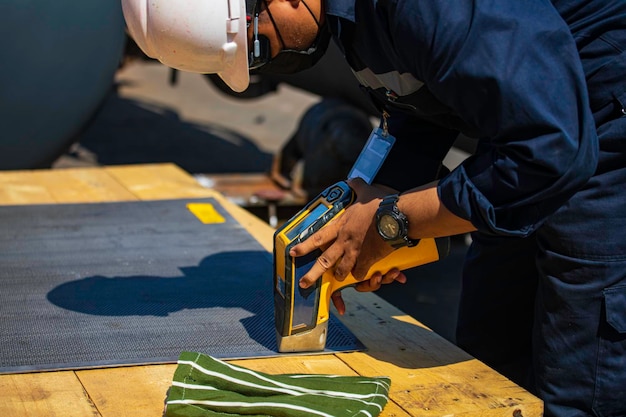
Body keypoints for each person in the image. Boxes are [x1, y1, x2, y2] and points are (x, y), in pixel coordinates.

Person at [121, 0, 626, 415]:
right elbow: (426, 96)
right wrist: (376, 194)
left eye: (257, 47)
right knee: (491, 367)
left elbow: (553, 151)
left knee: (578, 379)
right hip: (530, 129)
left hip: (599, 127)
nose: (268, 64)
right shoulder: (355, 18)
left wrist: (391, 223)